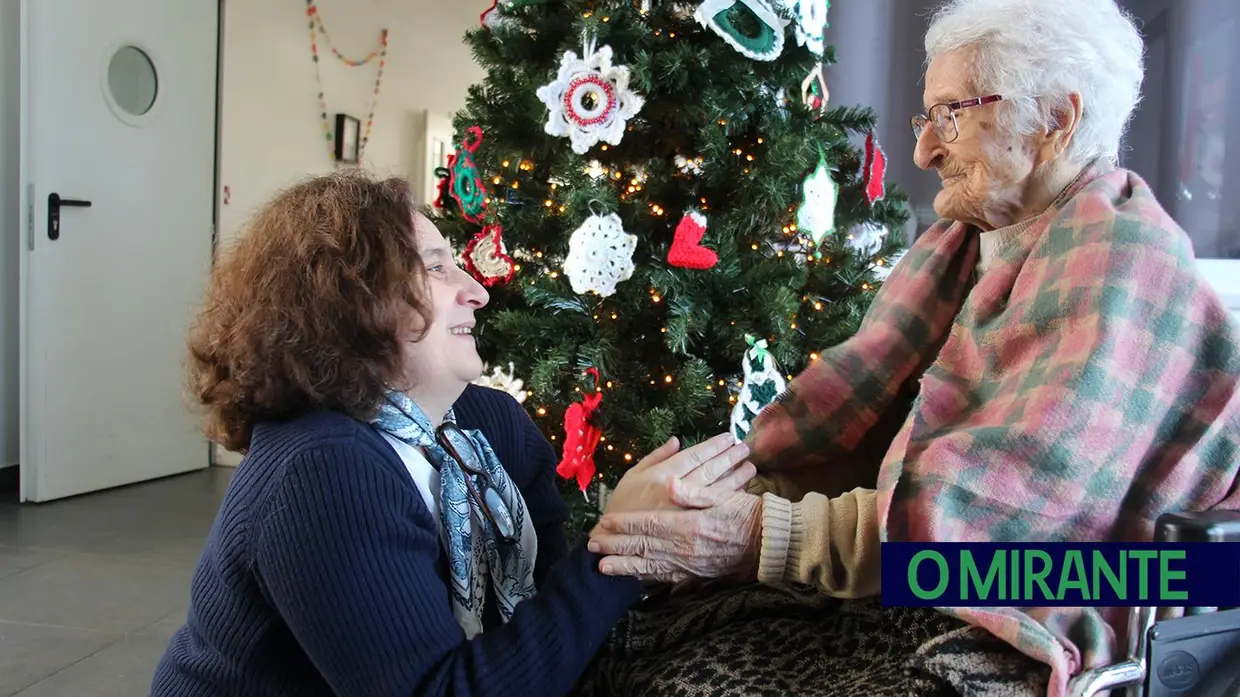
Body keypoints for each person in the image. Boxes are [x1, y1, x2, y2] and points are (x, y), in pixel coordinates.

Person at [588, 0, 1240, 693]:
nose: (925, 151)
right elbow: (868, 455)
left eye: (950, 115)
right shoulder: (963, 247)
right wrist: (710, 502)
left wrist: (756, 536)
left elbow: (989, 541)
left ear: (1056, 120)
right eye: (926, 118)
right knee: (633, 650)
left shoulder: (1121, 266)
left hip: (1062, 593)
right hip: (916, 581)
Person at [148, 170, 754, 697]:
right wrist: (622, 547)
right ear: (346, 301)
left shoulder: (494, 425)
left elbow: (548, 623)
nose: (478, 291)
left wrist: (670, 547)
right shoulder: (322, 468)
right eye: (436, 268)